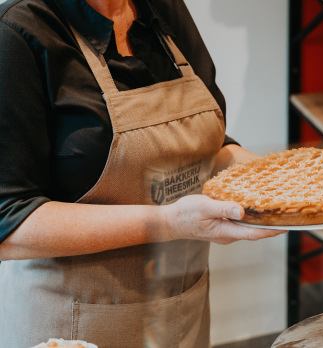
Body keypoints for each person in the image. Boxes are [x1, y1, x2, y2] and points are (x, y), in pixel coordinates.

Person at [0, 0, 286, 347]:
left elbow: (208, 145)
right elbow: (9, 223)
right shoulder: (17, 31)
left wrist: (281, 180)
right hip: (73, 325)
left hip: (182, 313)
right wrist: (167, 223)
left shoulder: (163, 9)